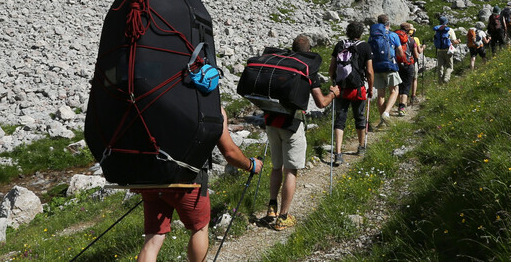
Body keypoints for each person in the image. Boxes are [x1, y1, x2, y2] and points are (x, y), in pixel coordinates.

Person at [137, 108, 261, 262]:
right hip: (188, 179)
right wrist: (250, 165)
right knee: (199, 229)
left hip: (152, 176)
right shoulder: (209, 105)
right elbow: (229, 152)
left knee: (152, 238)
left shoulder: (157, 99)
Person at [264, 34, 337, 231]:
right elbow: (321, 103)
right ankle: (283, 217)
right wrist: (333, 93)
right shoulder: (307, 70)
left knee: (276, 166)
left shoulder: (280, 63)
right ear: (309, 50)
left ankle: (271, 208)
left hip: (271, 120)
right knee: (291, 170)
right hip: (292, 123)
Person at [331, 21, 373, 166]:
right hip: (358, 88)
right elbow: (369, 71)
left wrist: (334, 83)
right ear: (361, 32)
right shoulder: (365, 46)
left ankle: (338, 152)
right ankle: (361, 147)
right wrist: (371, 87)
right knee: (359, 116)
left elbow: (332, 67)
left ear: (347, 31)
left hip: (341, 89)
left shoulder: (339, 45)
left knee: (340, 119)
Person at [369, 14, 402, 129]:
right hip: (389, 66)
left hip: (376, 67)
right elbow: (400, 53)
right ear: (388, 24)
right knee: (394, 90)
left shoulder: (372, 37)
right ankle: (386, 113)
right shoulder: (393, 35)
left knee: (380, 94)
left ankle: (382, 122)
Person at [394, 22, 418, 115]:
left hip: (397, 64)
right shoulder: (412, 40)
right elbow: (416, 55)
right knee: (406, 86)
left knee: (399, 85)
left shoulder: (395, 37)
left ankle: (396, 103)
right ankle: (402, 107)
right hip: (408, 64)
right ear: (409, 30)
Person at [433, 17, 455, 84]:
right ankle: (446, 78)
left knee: (440, 67)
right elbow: (453, 40)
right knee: (450, 67)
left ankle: (440, 82)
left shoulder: (437, 30)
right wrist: (458, 41)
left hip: (439, 50)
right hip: (448, 51)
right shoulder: (450, 30)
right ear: (446, 23)